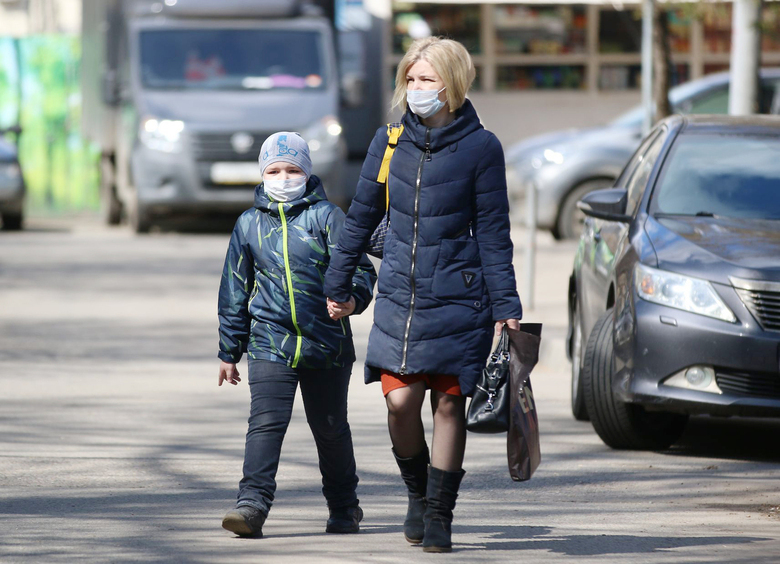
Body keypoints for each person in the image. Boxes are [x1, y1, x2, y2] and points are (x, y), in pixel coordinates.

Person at [324, 37, 522, 553]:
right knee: (400, 402)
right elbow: (361, 216)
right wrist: (337, 282)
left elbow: (495, 235)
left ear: (453, 84)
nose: (416, 89)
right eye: (411, 80)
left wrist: (507, 309)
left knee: (449, 407)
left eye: (427, 80)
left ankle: (439, 514)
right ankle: (417, 493)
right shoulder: (389, 142)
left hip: (460, 296)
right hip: (400, 297)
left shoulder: (483, 148)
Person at [217, 132, 377, 538]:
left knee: (329, 427)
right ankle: (251, 505)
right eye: (274, 170)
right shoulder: (249, 225)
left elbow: (360, 269)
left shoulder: (327, 217)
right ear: (262, 174)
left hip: (327, 344)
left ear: (307, 173)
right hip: (270, 342)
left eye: (292, 170)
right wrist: (229, 350)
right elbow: (234, 289)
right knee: (266, 422)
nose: (283, 177)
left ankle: (344, 507)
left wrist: (352, 302)